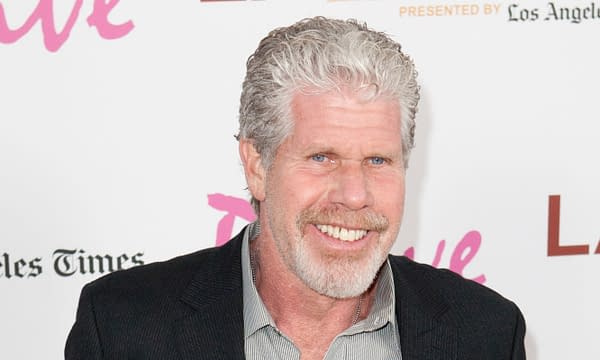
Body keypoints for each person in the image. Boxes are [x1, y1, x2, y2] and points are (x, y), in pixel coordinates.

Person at [65, 17, 526, 360]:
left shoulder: (485, 333)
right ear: (257, 166)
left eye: (378, 160)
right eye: (321, 158)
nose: (354, 194)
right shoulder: (123, 329)